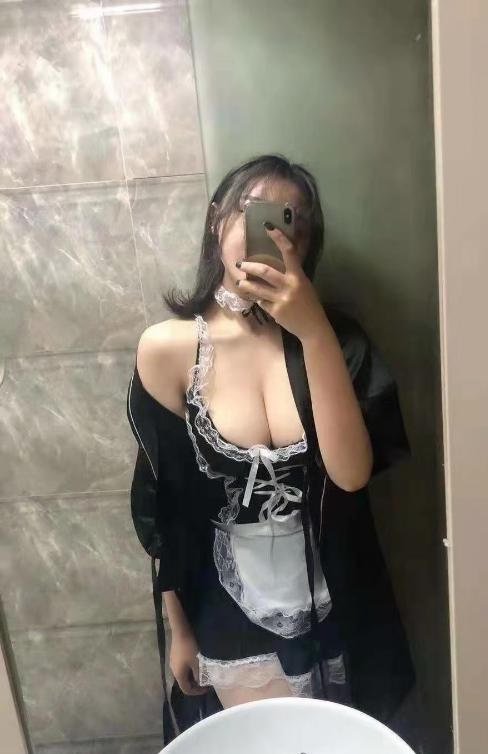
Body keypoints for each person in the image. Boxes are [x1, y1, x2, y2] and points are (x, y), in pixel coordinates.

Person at [126, 154, 415, 744]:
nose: (276, 237)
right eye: (256, 214)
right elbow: (166, 509)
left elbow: (351, 474)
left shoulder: (336, 340)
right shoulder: (168, 350)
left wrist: (312, 330)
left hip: (340, 604)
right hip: (229, 613)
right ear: (218, 221)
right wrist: (180, 629)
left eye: (293, 224)